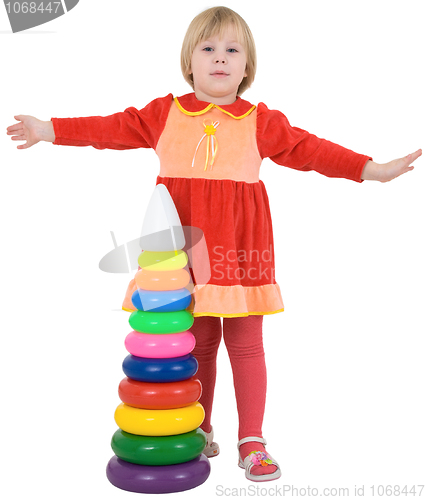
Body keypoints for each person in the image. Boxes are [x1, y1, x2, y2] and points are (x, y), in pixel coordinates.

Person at [6, 6, 422, 483]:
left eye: (232, 50)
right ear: (189, 62)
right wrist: (49, 129)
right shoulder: (163, 114)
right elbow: (109, 129)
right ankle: (196, 426)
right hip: (180, 255)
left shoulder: (259, 121)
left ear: (248, 67)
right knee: (195, 341)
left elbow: (312, 150)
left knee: (245, 343)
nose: (220, 58)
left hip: (241, 250)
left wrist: (371, 169)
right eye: (208, 48)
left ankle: (252, 441)